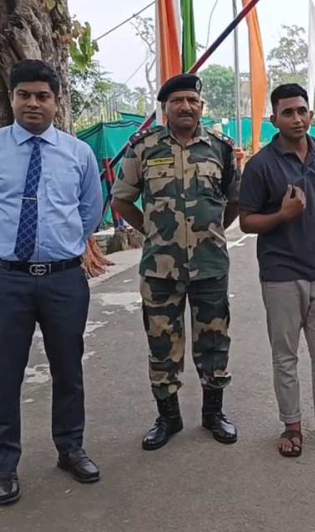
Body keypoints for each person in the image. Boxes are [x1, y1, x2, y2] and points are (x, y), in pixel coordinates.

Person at [0, 59, 103, 506]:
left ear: (57, 102)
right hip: (7, 282)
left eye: (43, 95)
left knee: (68, 368)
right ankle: (4, 465)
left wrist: (63, 244)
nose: (33, 103)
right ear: (13, 99)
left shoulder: (78, 153)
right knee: (4, 375)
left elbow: (90, 210)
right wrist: (2, 249)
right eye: (25, 95)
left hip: (63, 280)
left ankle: (70, 448)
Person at [111, 74, 240, 451]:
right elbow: (121, 200)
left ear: (201, 106)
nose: (185, 106)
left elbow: (236, 200)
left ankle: (214, 413)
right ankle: (168, 418)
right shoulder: (144, 149)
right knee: (162, 343)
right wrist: (152, 231)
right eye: (177, 100)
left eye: (192, 100)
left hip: (210, 265)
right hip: (159, 269)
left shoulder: (220, 148)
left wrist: (212, 230)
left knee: (214, 341)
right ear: (164, 108)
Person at [238, 83, 315, 458]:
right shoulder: (261, 165)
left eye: (302, 111)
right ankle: (291, 424)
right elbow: (246, 221)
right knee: (286, 355)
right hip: (280, 274)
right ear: (273, 119)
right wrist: (283, 215)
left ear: (311, 114)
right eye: (288, 112)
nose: (297, 118)